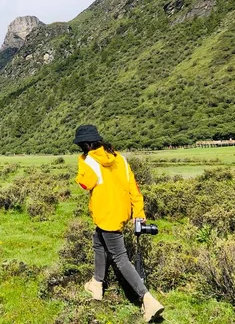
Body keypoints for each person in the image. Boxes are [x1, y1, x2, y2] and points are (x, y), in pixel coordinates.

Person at [73, 124, 164, 323]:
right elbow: (134, 187)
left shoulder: (88, 161)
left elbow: (84, 184)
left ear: (86, 145)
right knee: (98, 242)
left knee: (120, 258)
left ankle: (147, 299)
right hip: (121, 213)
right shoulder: (120, 159)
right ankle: (97, 284)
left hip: (107, 215)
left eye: (80, 147)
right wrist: (138, 213)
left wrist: (82, 161)